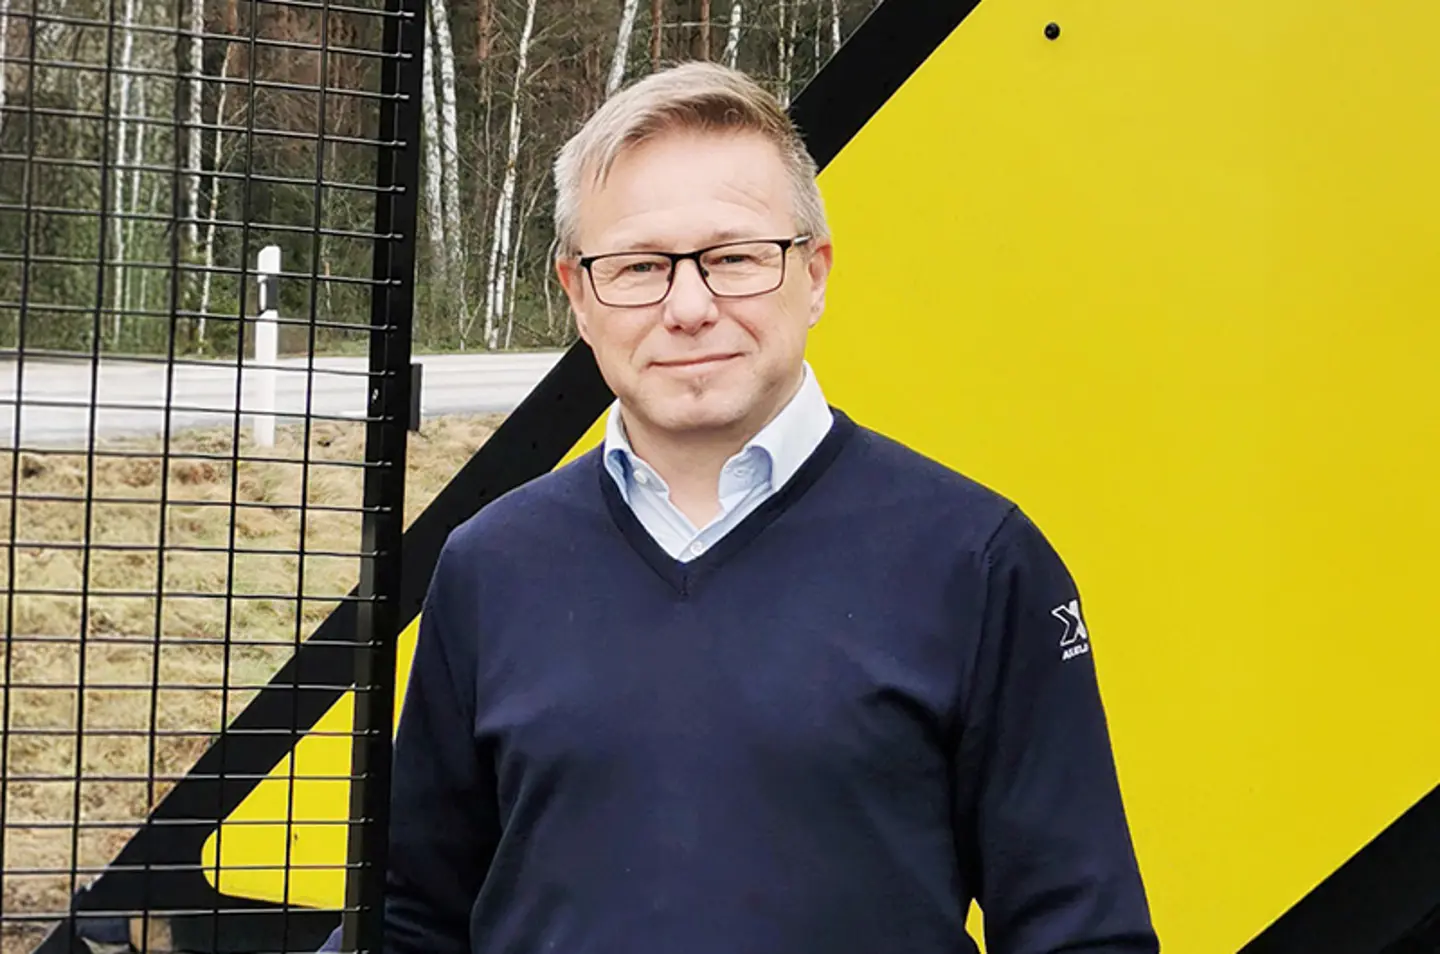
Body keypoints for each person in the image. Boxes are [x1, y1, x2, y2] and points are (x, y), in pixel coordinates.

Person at [379, 61, 1159, 954]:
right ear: (579, 296)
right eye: (637, 267)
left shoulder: (978, 562)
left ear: (815, 274)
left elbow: (1081, 933)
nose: (688, 307)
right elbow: (413, 920)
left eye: (734, 258)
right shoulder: (489, 567)